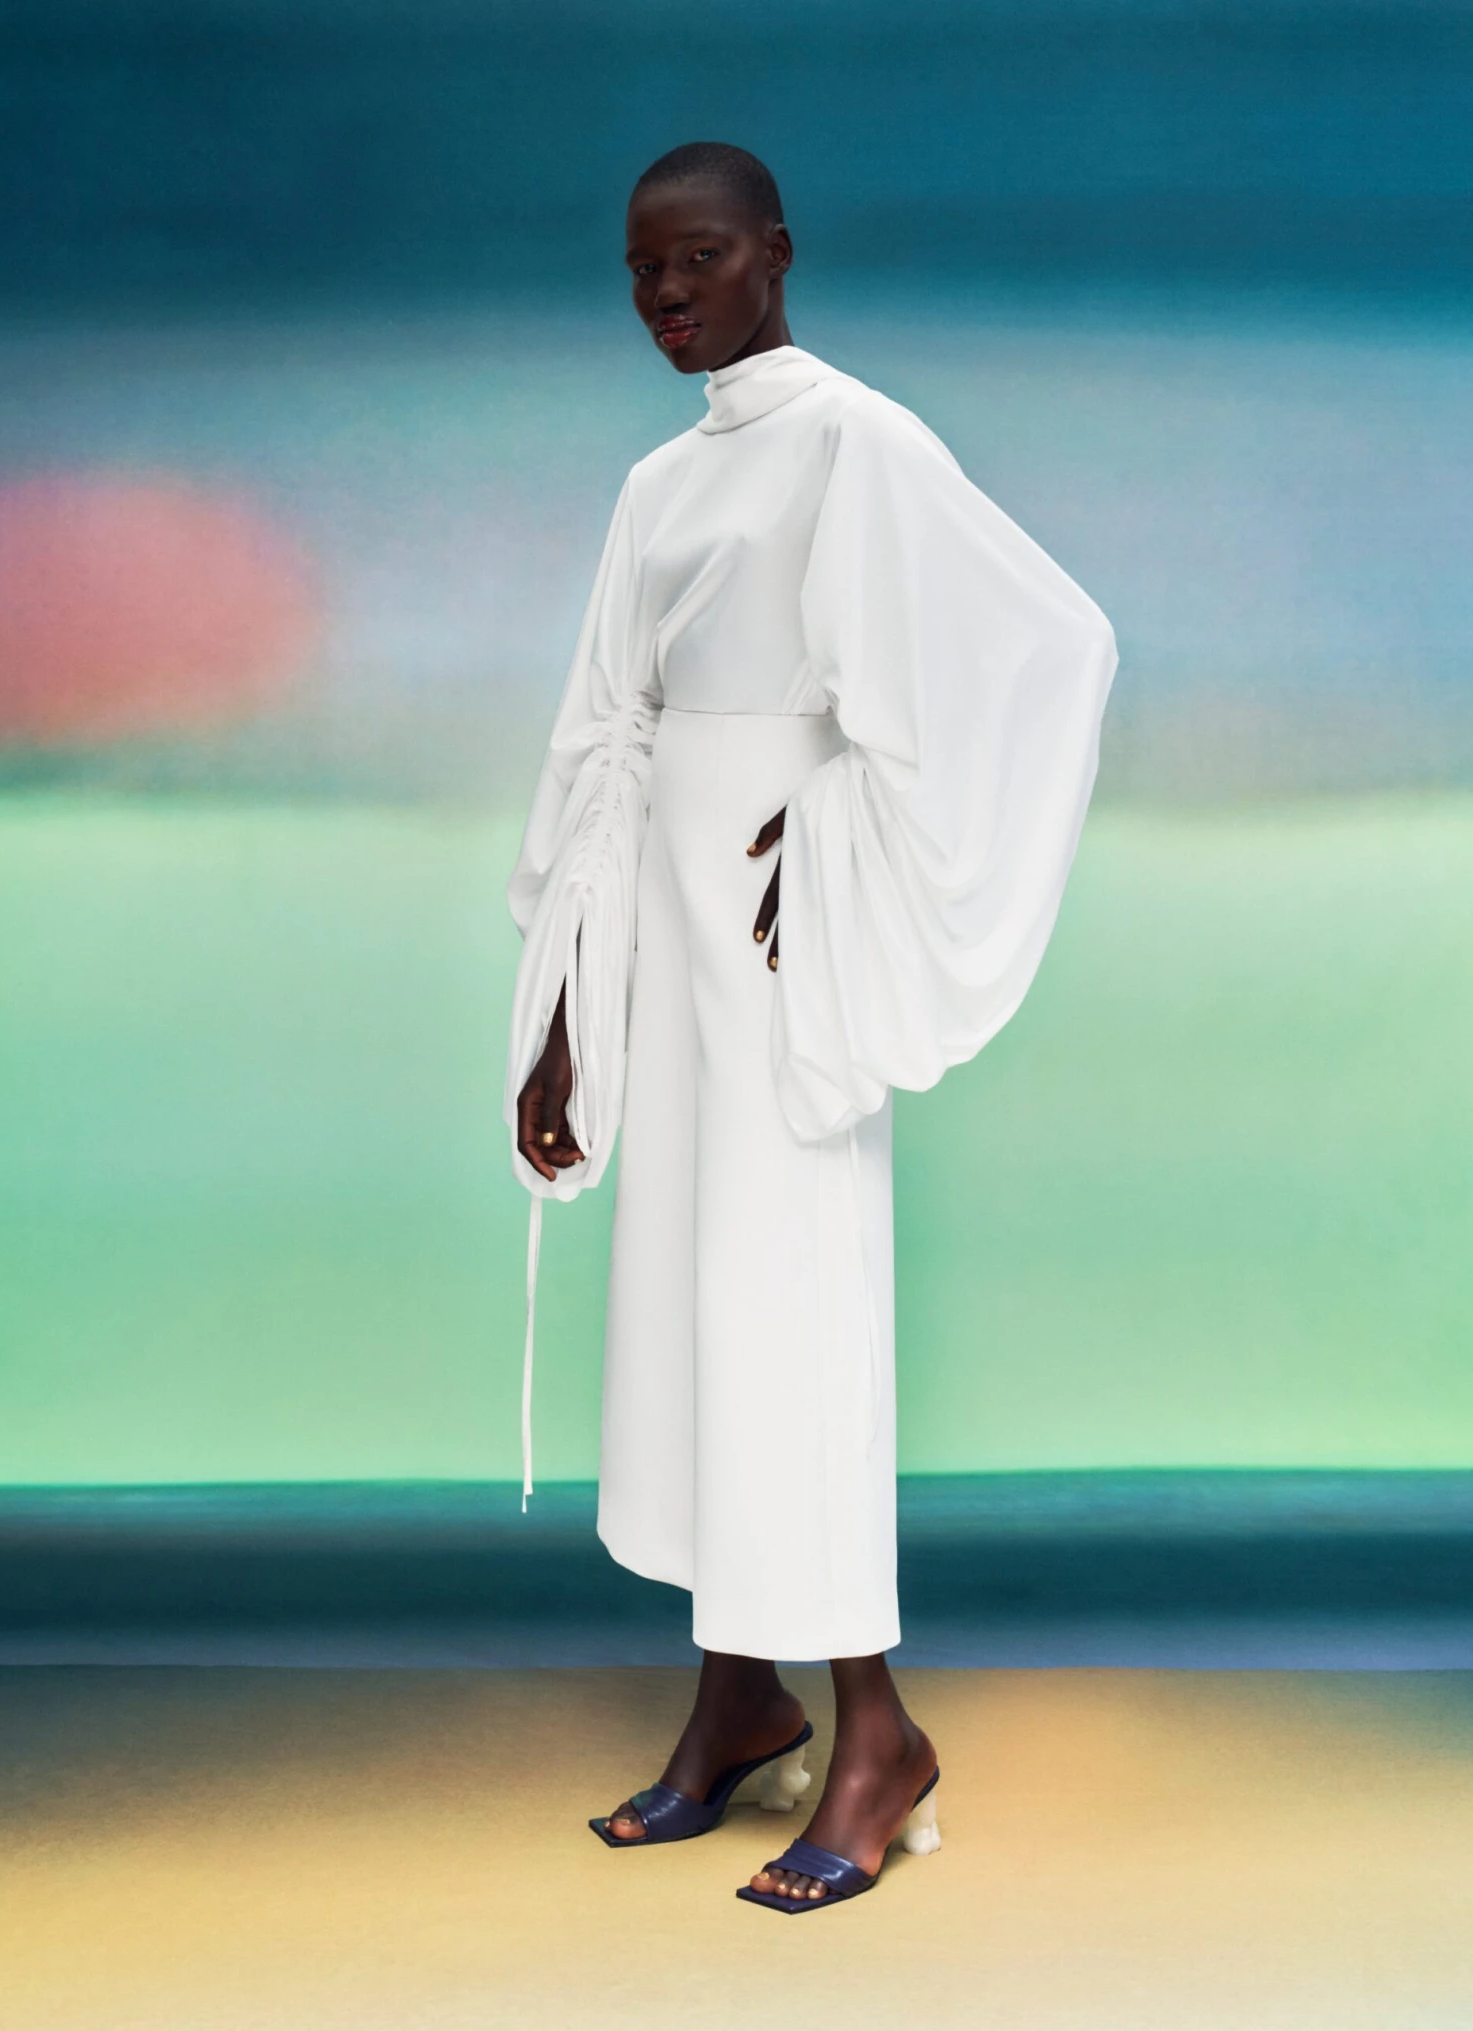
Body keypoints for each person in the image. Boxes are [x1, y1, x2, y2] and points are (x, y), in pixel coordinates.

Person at [504, 141, 1116, 1914]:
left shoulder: (859, 441)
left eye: (697, 258)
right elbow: (608, 728)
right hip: (666, 937)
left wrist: (837, 820)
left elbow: (1048, 646)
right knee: (691, 1315)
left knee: (797, 1313)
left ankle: (876, 1731)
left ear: (774, 254)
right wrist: (565, 1011)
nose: (666, 294)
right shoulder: (654, 485)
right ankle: (737, 1694)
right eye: (641, 269)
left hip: (787, 952)